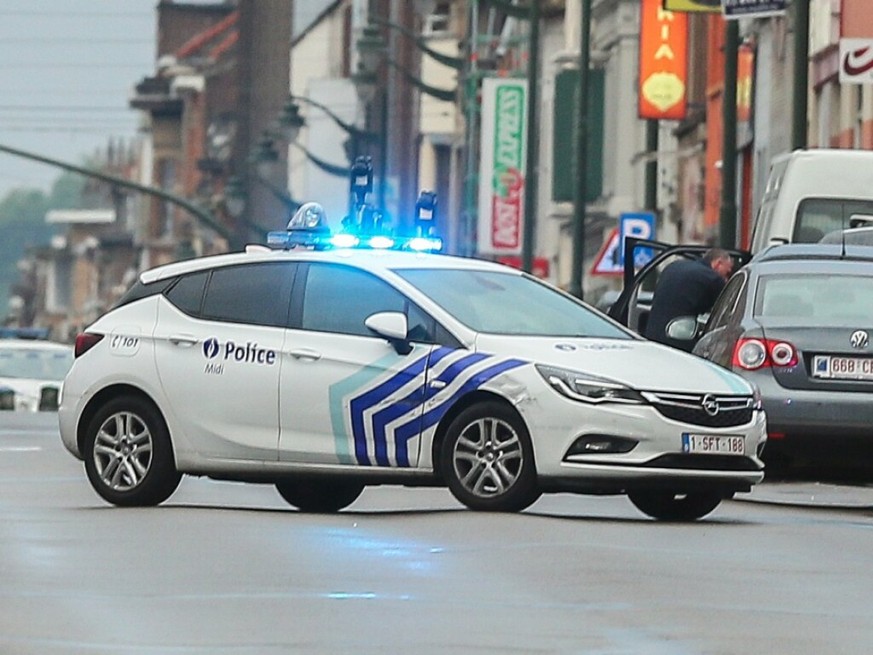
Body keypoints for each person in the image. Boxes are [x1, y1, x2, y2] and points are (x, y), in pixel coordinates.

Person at [645, 248, 734, 351]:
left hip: (652, 334)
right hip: (679, 338)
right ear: (718, 263)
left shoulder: (674, 266)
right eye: (727, 272)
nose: (727, 277)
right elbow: (722, 309)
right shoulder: (713, 279)